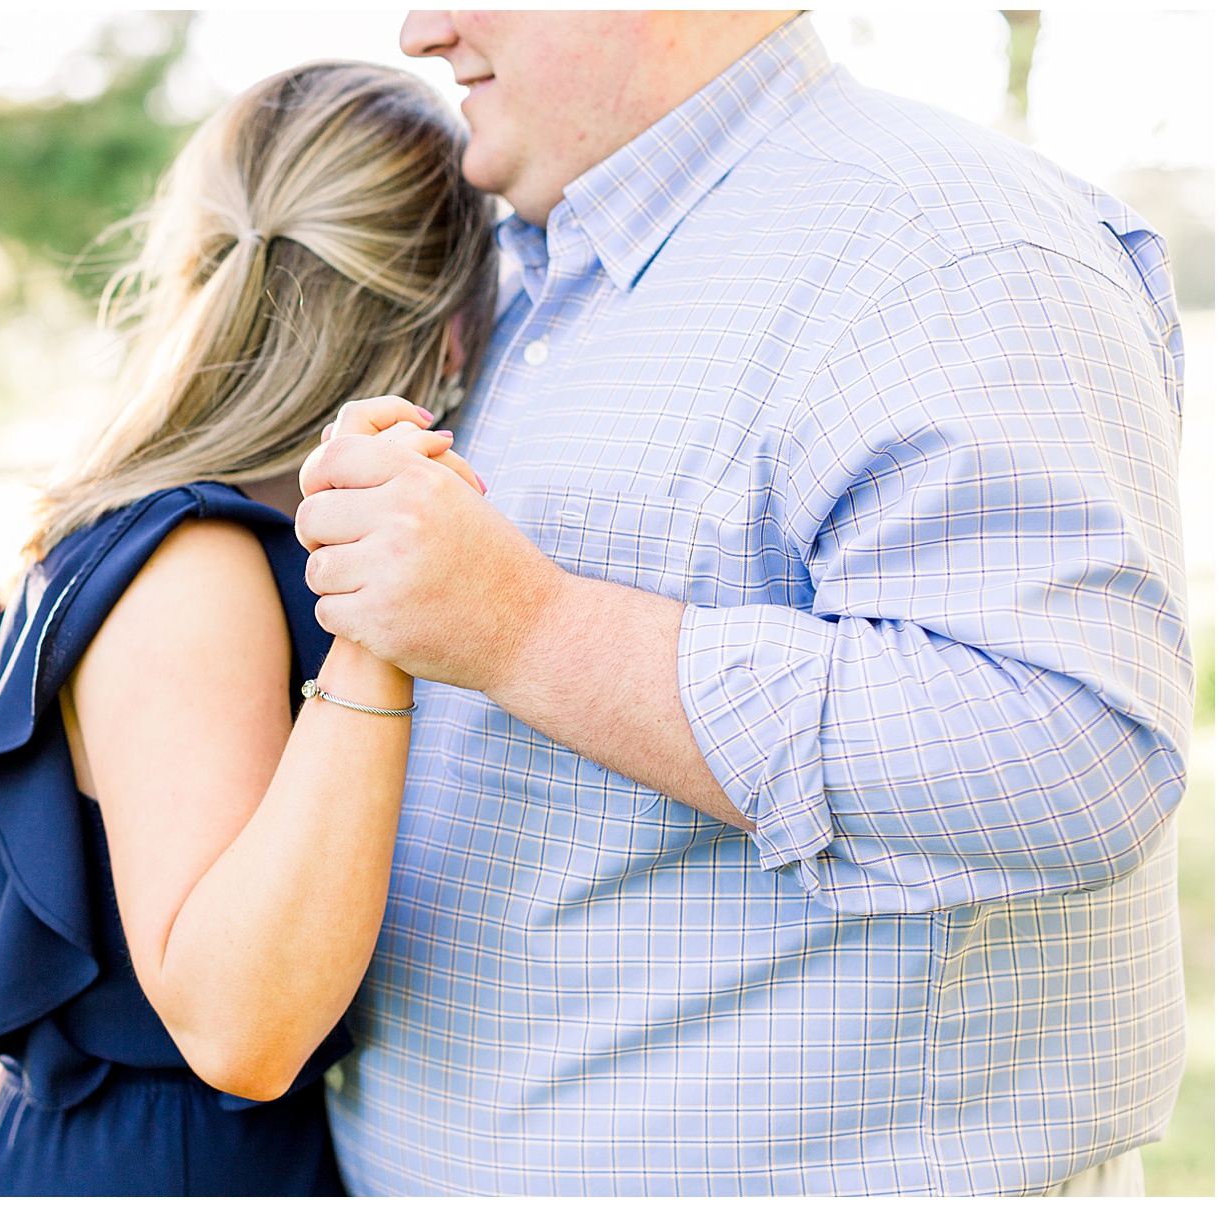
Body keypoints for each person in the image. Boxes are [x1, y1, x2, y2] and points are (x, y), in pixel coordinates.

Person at [297, 11, 1191, 1196]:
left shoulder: (951, 245)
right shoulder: (525, 267)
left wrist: (530, 630)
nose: (423, 29)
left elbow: (1067, 756)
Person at [0, 61, 495, 1196]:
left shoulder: (129, 528)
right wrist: (382, 609)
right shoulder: (196, 564)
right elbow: (238, 1026)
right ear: (457, 328)